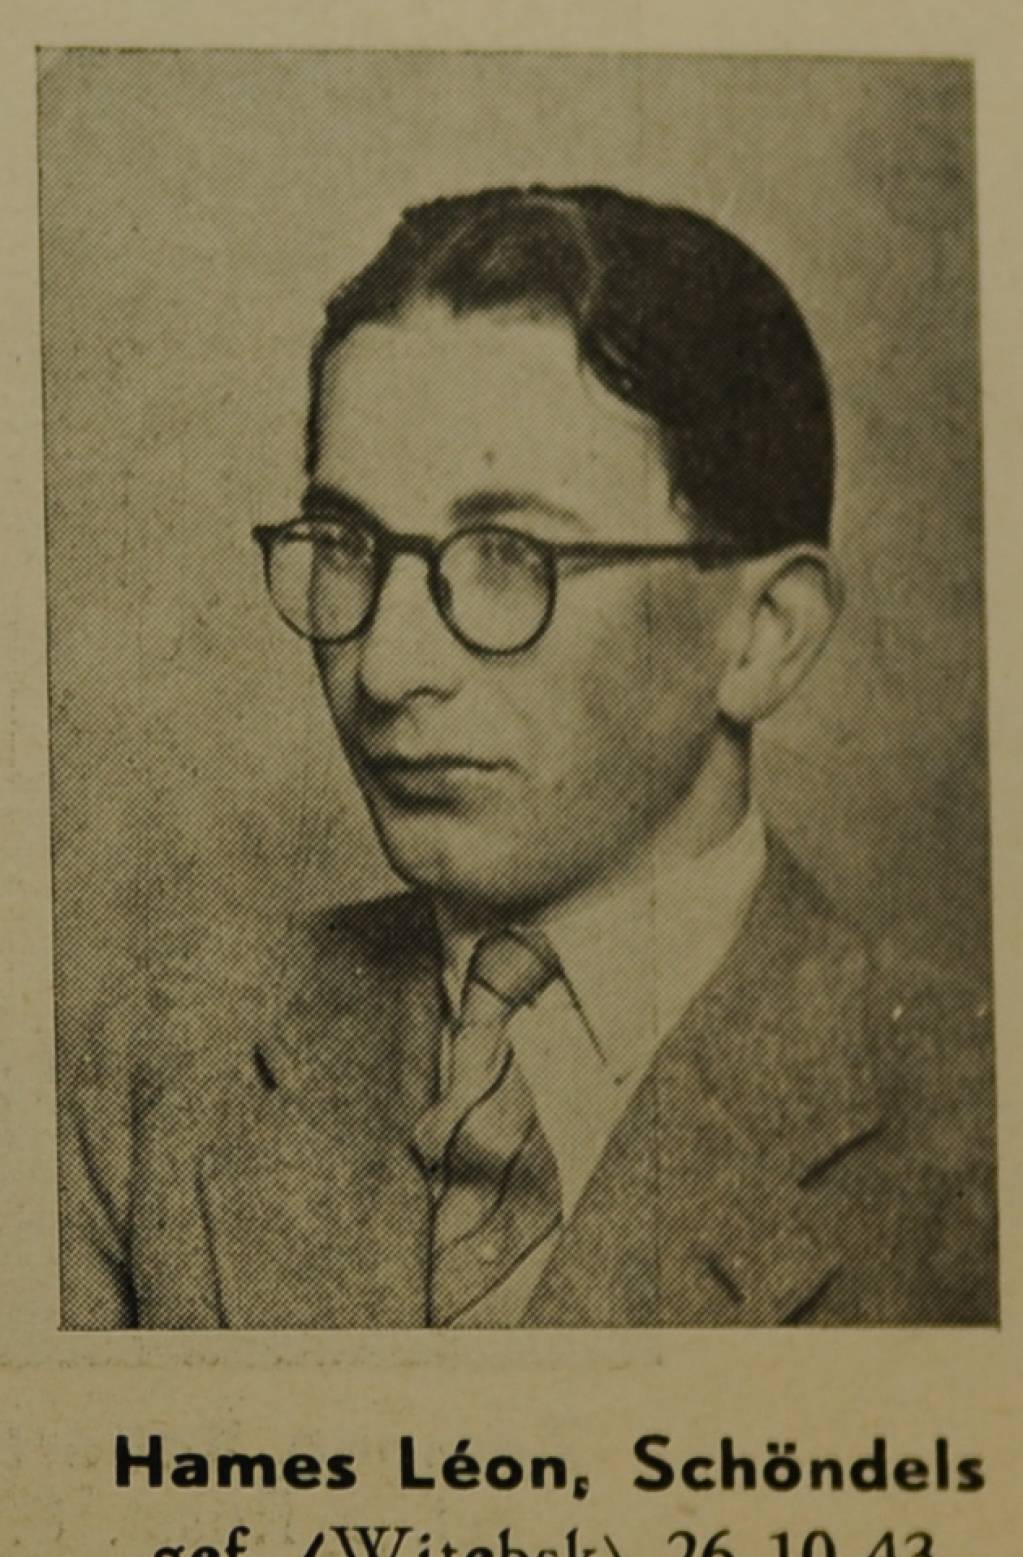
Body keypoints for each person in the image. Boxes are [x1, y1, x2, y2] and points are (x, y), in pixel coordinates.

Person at [59, 184, 997, 1329]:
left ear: (763, 635)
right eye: (346, 543)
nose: (387, 666)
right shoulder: (158, 1060)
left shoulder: (973, 1138)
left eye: (508, 554)